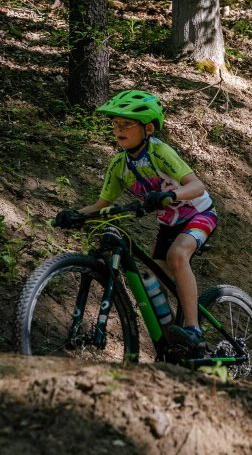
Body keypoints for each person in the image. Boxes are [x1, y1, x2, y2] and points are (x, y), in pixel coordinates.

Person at [54, 90, 217, 357]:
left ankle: (193, 328)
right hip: (169, 225)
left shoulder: (160, 152)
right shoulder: (120, 165)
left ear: (148, 128)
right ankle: (173, 341)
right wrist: (76, 214)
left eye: (126, 124)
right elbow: (101, 204)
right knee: (154, 282)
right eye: (115, 124)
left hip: (199, 214)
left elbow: (197, 186)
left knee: (177, 256)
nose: (118, 129)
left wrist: (171, 195)